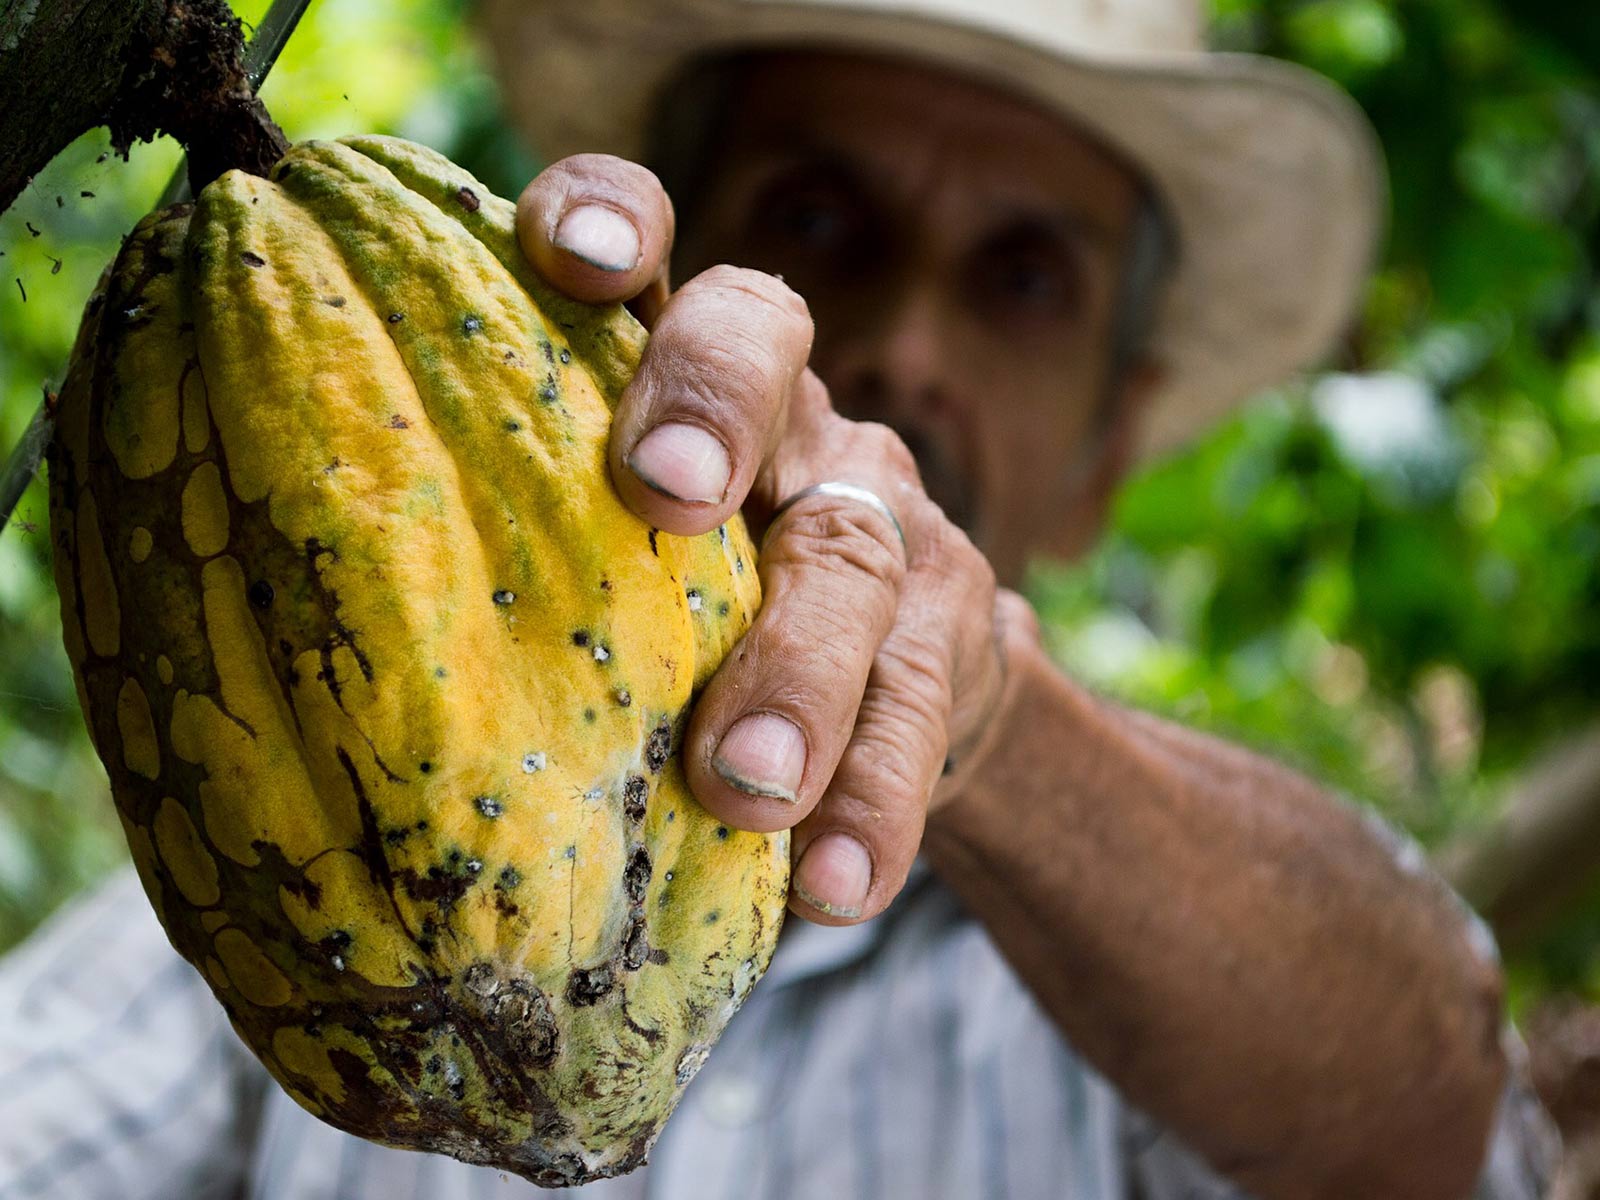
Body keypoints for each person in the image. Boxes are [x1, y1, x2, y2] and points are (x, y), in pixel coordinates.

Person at [0, 0, 1563, 1196]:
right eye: (819, 222)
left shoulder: (1159, 1001)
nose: (906, 344)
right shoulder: (264, 842)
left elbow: (1436, 1107)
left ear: (1110, 448)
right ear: (643, 269)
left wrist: (989, 722)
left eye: (1024, 277)